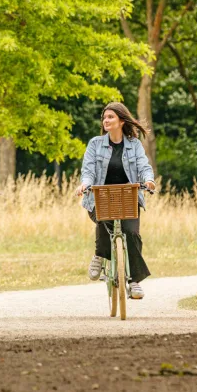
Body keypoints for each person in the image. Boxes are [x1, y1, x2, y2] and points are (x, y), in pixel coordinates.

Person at [76, 102, 156, 299]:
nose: (106, 120)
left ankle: (134, 281)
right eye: (104, 117)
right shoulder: (95, 144)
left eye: (110, 117)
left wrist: (149, 180)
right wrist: (85, 184)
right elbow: (88, 170)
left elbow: (143, 165)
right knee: (104, 218)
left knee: (132, 233)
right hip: (100, 196)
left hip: (127, 197)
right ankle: (100, 254)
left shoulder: (134, 145)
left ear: (121, 120)